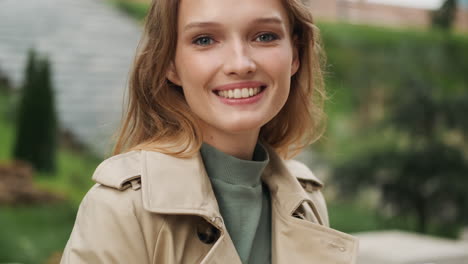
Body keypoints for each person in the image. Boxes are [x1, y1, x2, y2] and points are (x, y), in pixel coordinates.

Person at [60, 0, 358, 263]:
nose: (240, 64)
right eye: (205, 40)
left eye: (265, 36)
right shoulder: (123, 208)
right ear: (170, 64)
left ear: (295, 54)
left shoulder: (306, 202)